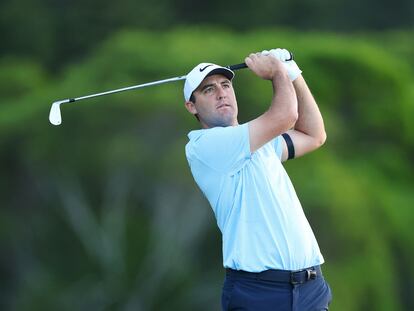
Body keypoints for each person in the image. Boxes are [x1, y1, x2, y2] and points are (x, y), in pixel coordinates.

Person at [183, 48, 332, 311]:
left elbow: (314, 135)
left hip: (310, 289)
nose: (221, 93)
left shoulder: (259, 142)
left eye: (226, 85)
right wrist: (277, 72)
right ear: (191, 106)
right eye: (208, 90)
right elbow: (286, 116)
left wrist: (293, 73)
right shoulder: (204, 146)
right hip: (259, 294)